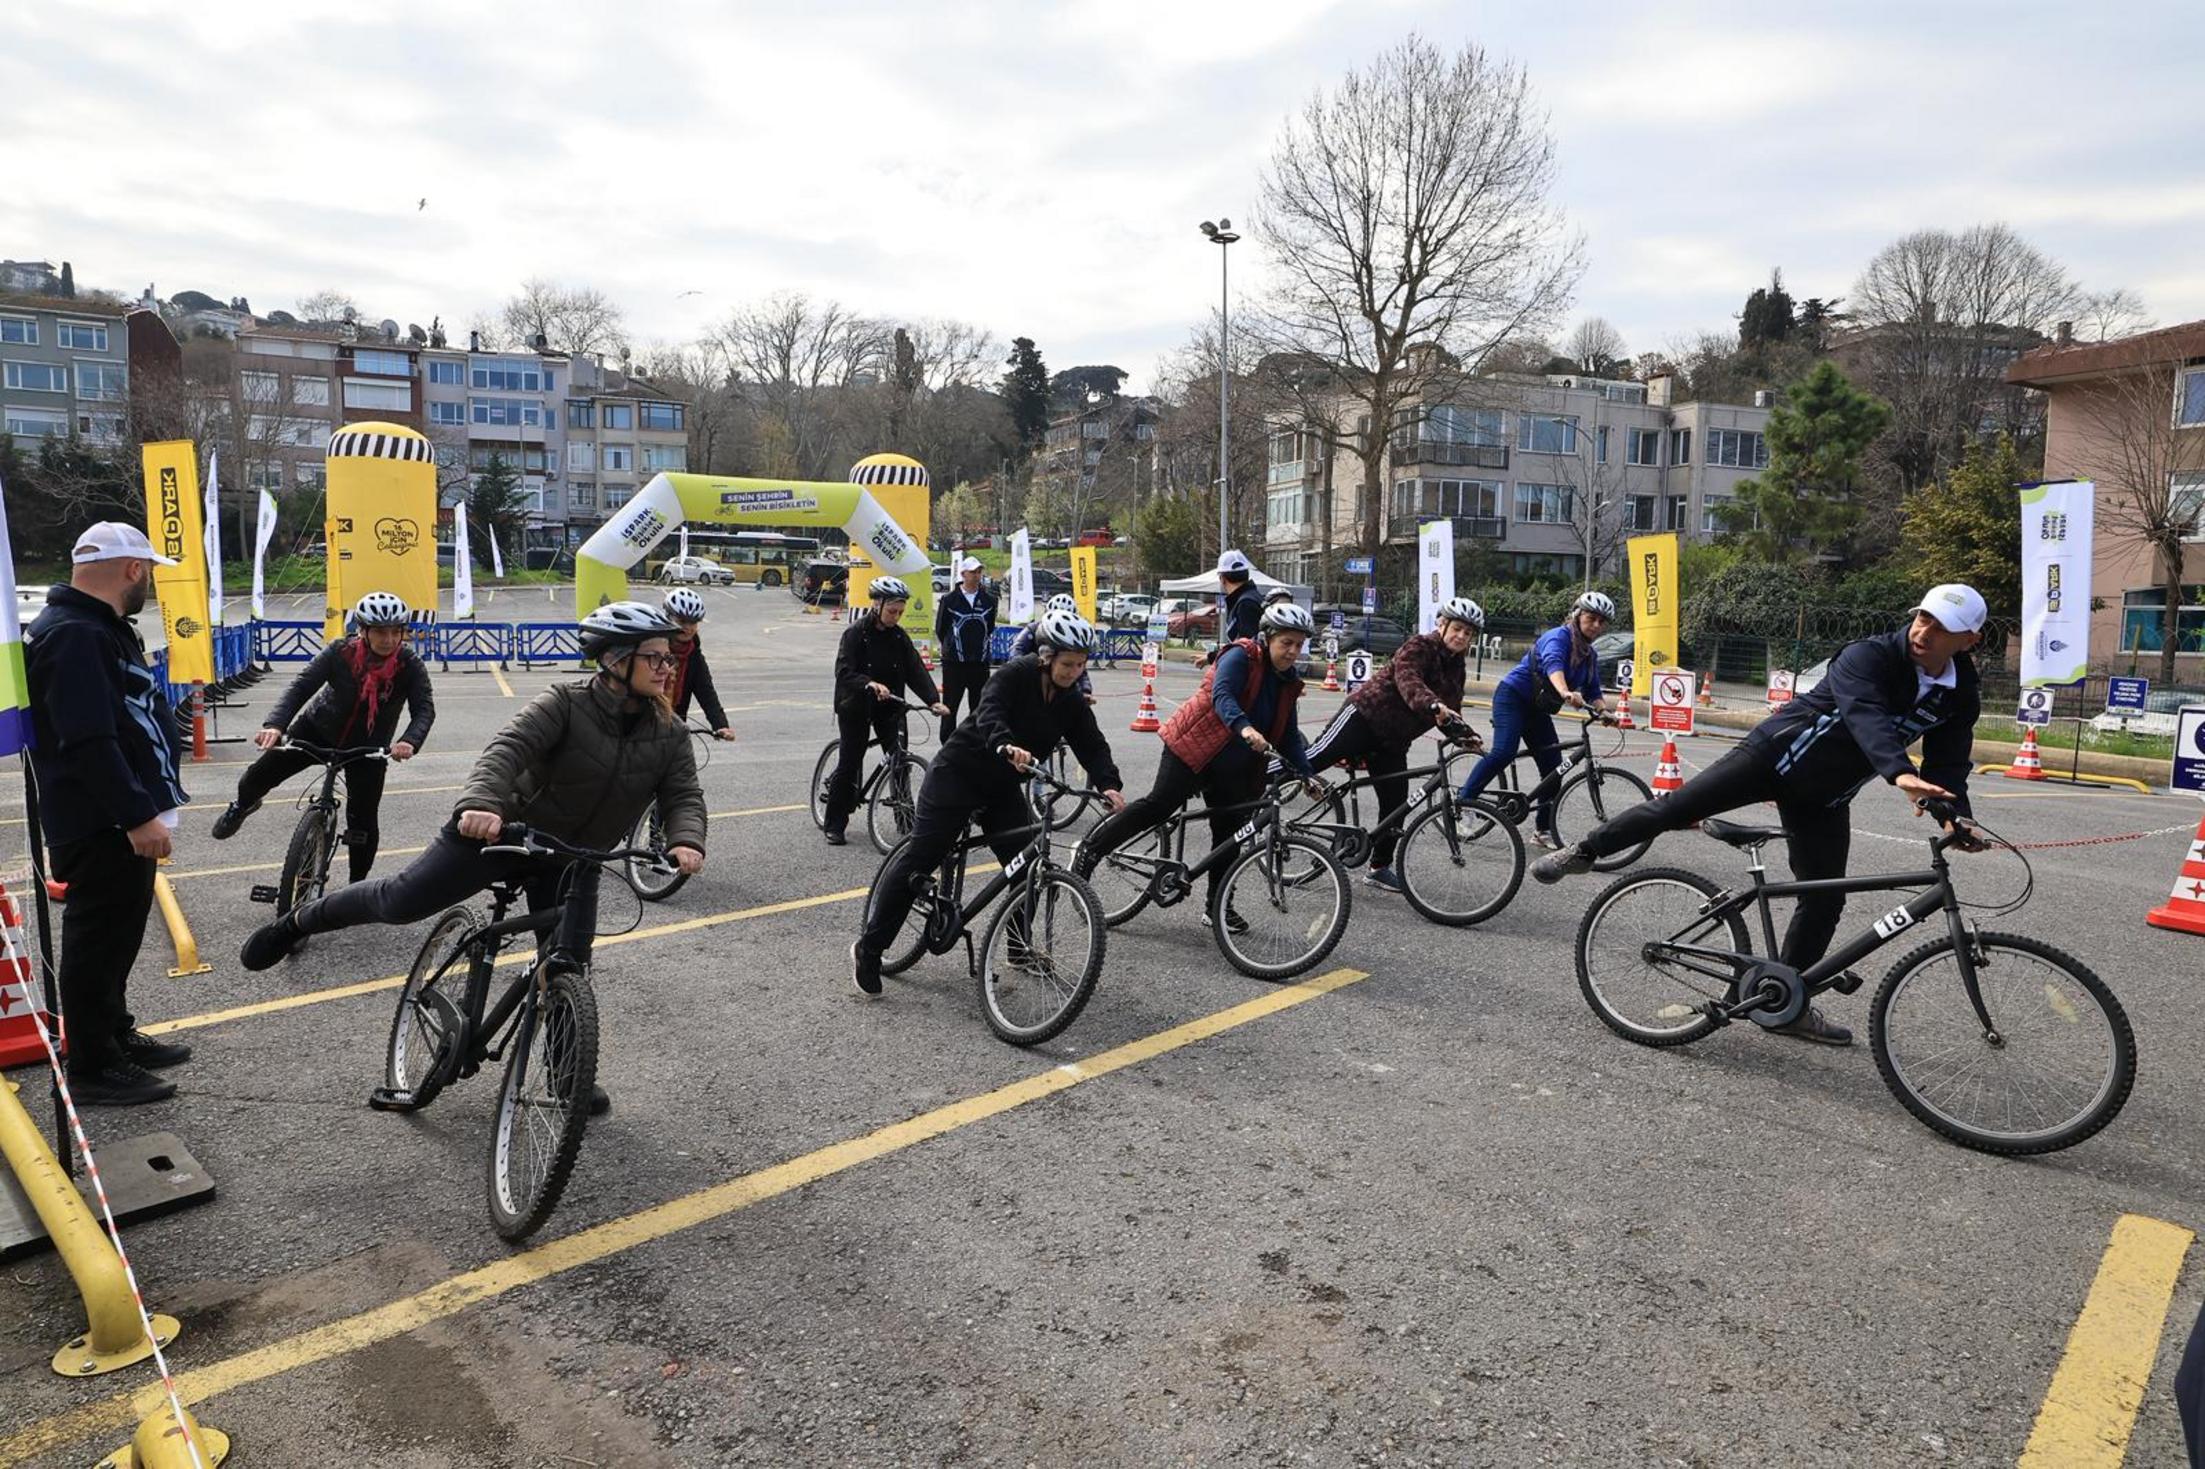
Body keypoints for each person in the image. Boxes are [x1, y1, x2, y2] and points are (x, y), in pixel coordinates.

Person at [239, 602, 706, 1109]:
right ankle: (298, 921)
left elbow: (683, 794)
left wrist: (686, 840)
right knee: (401, 901)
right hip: (503, 834)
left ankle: (566, 1075)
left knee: (568, 967)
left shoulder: (670, 733)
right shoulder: (565, 703)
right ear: (615, 660)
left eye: (669, 659)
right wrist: (482, 805)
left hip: (574, 858)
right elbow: (506, 750)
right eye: (655, 658)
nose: (667, 668)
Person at [1531, 584, 1992, 1047]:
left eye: (1942, 627)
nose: (1924, 632)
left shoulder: (1960, 692)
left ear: (1969, 639)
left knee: (1825, 899)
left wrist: (1955, 816)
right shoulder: (1869, 656)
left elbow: (1950, 762)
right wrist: (1899, 773)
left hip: (1824, 796)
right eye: (1923, 617)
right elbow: (1864, 715)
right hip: (1770, 758)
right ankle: (1585, 849)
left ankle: (1783, 1001)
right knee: (1675, 808)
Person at [850, 609, 1126, 997]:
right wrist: (1004, 742)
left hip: (1001, 788)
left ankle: (1017, 947)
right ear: (1047, 656)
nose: (1074, 672)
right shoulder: (1015, 674)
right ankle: (870, 948)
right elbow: (990, 711)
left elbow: (1091, 744)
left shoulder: (1072, 700)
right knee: (921, 858)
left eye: (1081, 665)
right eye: (1067, 664)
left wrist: (1109, 784)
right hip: (957, 775)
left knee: (1030, 869)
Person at [23, 523, 195, 1105]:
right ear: (131, 570)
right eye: (147, 570)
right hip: (101, 821)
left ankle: (111, 1033)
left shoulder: (98, 629)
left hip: (116, 816)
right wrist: (134, 816)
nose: (147, 581)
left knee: (118, 934)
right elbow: (89, 739)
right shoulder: (75, 634)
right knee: (98, 939)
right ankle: (93, 1065)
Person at [1078, 601, 1318, 929]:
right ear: (1267, 638)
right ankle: (1091, 852)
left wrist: (1306, 774)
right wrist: (1245, 727)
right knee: (1160, 805)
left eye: (1299, 645)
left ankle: (1217, 907)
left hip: (1235, 765)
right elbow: (1223, 696)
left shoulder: (1288, 682)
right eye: (1286, 643)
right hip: (1193, 747)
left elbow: (1289, 734)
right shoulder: (1242, 655)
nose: (1292, 651)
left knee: (1230, 832)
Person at [210, 591, 435, 886]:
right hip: (316, 730)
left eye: (397, 632)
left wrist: (409, 741)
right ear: (363, 631)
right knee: (256, 777)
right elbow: (301, 687)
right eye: (381, 631)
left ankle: (356, 888)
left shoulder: (410, 664)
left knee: (363, 823)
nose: (389, 639)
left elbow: (424, 709)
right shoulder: (339, 652)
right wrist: (276, 725)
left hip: (368, 746)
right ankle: (242, 806)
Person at [1302, 597, 1485, 894]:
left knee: (1395, 807)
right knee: (1311, 760)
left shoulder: (1457, 667)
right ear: (1442, 624)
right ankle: (1260, 784)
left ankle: (1378, 867)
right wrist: (1432, 703)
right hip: (1364, 717)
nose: (1461, 636)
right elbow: (1408, 680)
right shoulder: (1419, 646)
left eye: (1468, 633)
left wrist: (1465, 735)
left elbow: (1453, 709)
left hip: (1393, 741)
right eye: (1458, 629)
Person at [1453, 591, 1614, 848]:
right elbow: (1553, 665)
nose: (1596, 625)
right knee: (1504, 752)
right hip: (1512, 697)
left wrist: (1604, 711)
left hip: (1537, 708)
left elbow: (1593, 690)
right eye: (1591, 618)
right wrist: (1564, 691)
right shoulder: (1558, 637)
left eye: (1601, 622)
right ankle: (1463, 803)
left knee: (1554, 770)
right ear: (1577, 614)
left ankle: (1542, 830)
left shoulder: (1589, 655)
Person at [825, 575, 947, 846]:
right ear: (877, 605)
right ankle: (834, 823)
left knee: (899, 762)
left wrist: (932, 700)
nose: (897, 616)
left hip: (889, 707)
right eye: (892, 611)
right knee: (849, 763)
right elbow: (844, 672)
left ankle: (907, 824)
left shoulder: (899, 637)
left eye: (901, 612)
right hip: (855, 706)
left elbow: (915, 669)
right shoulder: (855, 633)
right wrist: (869, 683)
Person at [933, 555, 997, 740]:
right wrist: (951, 647)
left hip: (979, 663)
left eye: (979, 572)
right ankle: (947, 744)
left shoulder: (989, 600)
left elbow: (989, 628)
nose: (976, 576)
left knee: (979, 707)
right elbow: (941, 628)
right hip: (954, 663)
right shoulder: (950, 599)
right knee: (950, 707)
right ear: (963, 574)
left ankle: (976, 742)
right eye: (972, 572)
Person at [661, 588, 736, 741]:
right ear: (668, 617)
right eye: (682, 621)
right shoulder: (653, 650)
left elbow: (706, 692)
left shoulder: (694, 656)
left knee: (683, 763)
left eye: (693, 622)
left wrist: (720, 724)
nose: (688, 628)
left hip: (675, 725)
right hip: (643, 725)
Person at [1008, 594, 1094, 701]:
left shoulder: (1074, 639)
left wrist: (1085, 691)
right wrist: (1024, 673)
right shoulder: (1033, 629)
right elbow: (1016, 651)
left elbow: (1080, 669)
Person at [1199, 549, 1263, 667]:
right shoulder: (1250, 598)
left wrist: (1213, 657)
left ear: (1222, 579)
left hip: (1247, 674)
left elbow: (1245, 648)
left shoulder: (1245, 604)